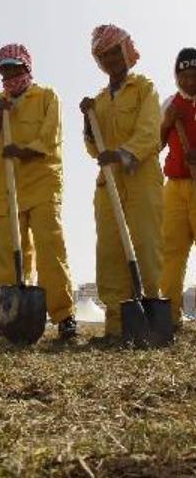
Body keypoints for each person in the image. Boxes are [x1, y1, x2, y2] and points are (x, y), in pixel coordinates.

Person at [0, 44, 77, 339]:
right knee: (10, 255)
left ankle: (65, 317)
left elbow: (50, 137)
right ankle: (12, 317)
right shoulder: (0, 103)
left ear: (26, 67)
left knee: (50, 249)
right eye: (4, 70)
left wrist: (21, 150)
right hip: (8, 190)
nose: (9, 74)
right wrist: (0, 114)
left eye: (14, 67)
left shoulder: (47, 96)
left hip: (42, 183)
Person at [81, 25, 163, 338]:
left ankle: (152, 321)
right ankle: (116, 327)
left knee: (146, 245)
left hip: (141, 178)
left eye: (115, 51)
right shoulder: (99, 101)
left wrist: (121, 154)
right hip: (108, 185)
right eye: (104, 55)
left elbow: (149, 131)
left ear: (127, 51)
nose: (112, 59)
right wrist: (87, 120)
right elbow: (93, 148)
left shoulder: (144, 87)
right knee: (111, 252)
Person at [160, 48, 196, 329]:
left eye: (194, 75)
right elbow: (156, 145)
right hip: (174, 187)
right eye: (183, 76)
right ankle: (170, 315)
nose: (189, 81)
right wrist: (167, 123)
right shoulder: (169, 104)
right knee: (172, 251)